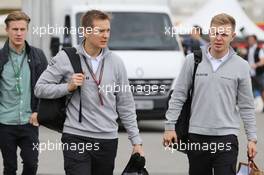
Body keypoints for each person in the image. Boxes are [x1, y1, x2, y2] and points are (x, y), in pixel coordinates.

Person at [34, 10, 144, 175]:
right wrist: (67, 87)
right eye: (100, 30)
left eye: (108, 30)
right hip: (76, 137)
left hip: (107, 139)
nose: (105, 35)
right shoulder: (65, 57)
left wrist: (136, 142)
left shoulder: (116, 62)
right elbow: (40, 88)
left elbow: (125, 104)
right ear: (85, 31)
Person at [163, 13, 257, 175]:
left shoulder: (241, 66)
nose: (218, 38)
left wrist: (252, 138)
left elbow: (247, 106)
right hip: (197, 136)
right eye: (215, 33)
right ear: (209, 32)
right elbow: (178, 96)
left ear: (232, 36)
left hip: (227, 138)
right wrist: (169, 127)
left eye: (224, 34)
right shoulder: (192, 61)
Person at [0, 11, 48, 175]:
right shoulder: (0, 57)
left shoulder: (38, 55)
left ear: (27, 30)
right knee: (10, 167)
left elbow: (45, 87)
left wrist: (38, 112)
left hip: (30, 122)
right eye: (15, 29)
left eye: (22, 29)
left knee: (31, 163)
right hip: (5, 122)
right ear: (7, 30)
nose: (19, 33)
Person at [244, 34, 264, 111]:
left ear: (255, 40)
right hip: (249, 74)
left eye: (251, 39)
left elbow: (262, 61)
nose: (249, 41)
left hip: (259, 73)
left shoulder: (259, 49)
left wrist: (256, 65)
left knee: (262, 89)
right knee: (250, 90)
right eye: (249, 40)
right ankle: (250, 106)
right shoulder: (248, 49)